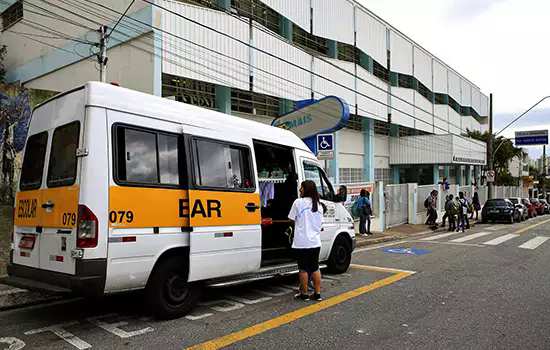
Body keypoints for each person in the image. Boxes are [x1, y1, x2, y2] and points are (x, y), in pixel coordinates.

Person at [288, 180, 324, 302]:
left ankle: (304, 294)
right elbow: (320, 224)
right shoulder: (319, 205)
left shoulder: (298, 202)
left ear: (306, 189)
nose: (300, 190)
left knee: (303, 268)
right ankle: (317, 294)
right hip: (315, 242)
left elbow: (291, 219)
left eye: (301, 188)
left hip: (302, 242)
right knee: (315, 267)